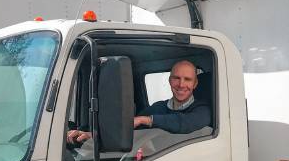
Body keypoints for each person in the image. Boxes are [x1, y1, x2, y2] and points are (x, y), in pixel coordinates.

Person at [66, 60, 211, 144]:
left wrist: (146, 120)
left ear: (195, 84)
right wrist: (93, 135)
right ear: (169, 80)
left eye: (187, 79)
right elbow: (129, 130)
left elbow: (184, 123)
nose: (181, 84)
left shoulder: (202, 110)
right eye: (176, 78)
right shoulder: (157, 108)